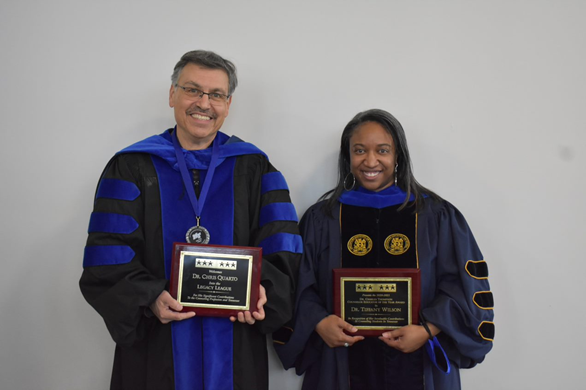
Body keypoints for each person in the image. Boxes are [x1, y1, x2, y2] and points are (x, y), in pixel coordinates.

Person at [80, 50, 302, 390]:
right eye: (192, 90)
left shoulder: (256, 169)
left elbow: (283, 252)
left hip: (234, 345)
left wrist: (262, 292)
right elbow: (106, 253)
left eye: (216, 95)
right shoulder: (131, 167)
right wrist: (149, 296)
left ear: (228, 104)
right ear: (172, 95)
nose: (204, 103)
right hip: (156, 348)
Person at [276, 109, 494, 389]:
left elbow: (462, 286)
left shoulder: (435, 215)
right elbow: (299, 284)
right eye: (359, 150)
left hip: (420, 361)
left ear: (398, 156)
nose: (370, 161)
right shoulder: (323, 218)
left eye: (382, 150)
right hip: (341, 361)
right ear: (347, 156)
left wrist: (428, 329)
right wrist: (318, 322)